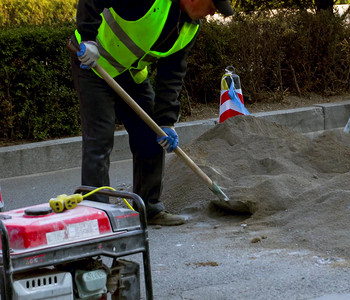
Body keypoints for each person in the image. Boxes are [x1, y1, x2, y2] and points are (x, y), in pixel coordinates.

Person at [70, 0, 234, 226]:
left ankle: (149, 208)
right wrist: (87, 37)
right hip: (92, 65)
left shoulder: (191, 27)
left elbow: (173, 72)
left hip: (130, 75)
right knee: (100, 139)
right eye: (212, 6)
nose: (212, 13)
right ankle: (98, 216)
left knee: (152, 134)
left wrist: (166, 121)